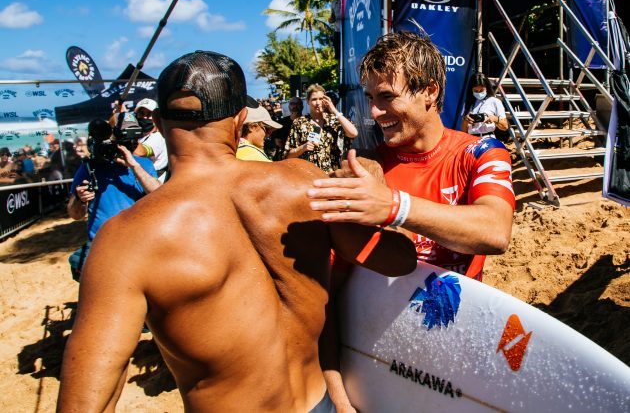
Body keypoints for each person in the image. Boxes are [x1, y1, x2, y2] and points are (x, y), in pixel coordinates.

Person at [56, 50, 416, 412]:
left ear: (160, 126)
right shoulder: (305, 183)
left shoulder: (129, 237)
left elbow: (88, 399)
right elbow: (399, 260)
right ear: (240, 120)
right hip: (316, 402)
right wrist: (377, 194)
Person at [306, 31, 516, 410]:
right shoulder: (365, 169)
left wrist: (393, 206)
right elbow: (328, 299)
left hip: (451, 361)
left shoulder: (481, 153)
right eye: (370, 98)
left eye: (387, 97)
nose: (373, 112)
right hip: (372, 368)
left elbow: (494, 232)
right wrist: (338, 398)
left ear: (430, 91)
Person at [66, 119, 160, 281]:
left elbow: (159, 195)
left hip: (139, 243)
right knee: (78, 263)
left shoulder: (142, 164)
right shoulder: (89, 168)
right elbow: (75, 214)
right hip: (101, 244)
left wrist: (134, 166)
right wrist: (80, 200)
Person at [284, 84, 358, 173]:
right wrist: (302, 148)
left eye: (321, 99)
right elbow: (288, 156)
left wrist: (334, 110)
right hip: (307, 175)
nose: (318, 103)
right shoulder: (299, 122)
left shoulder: (334, 120)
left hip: (331, 175)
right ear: (307, 101)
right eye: (314, 99)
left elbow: (353, 133)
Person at [461, 72, 508, 138]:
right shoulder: (468, 103)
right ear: (471, 90)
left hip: (488, 138)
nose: (479, 93)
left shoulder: (494, 101)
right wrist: (466, 120)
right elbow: (463, 131)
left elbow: (505, 126)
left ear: (487, 88)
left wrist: (494, 118)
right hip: (471, 139)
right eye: (476, 91)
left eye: (481, 90)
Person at [132, 98, 169, 182]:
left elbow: (140, 152)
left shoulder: (159, 136)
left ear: (156, 117)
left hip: (154, 181)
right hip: (138, 179)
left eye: (149, 114)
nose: (145, 117)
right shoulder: (139, 136)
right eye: (141, 113)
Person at [267, 96, 304, 160]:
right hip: (284, 158)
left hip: (303, 157)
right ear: (289, 106)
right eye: (292, 104)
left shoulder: (308, 122)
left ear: (302, 106)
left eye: (298, 103)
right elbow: (277, 141)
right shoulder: (281, 122)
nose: (295, 106)